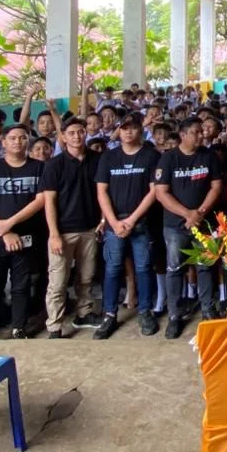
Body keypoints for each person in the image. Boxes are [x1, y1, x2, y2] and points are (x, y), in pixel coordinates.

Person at [0, 123, 45, 340]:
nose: (18, 142)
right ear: (3, 142)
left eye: (22, 137)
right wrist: (4, 232)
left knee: (21, 285)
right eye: (12, 138)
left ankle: (19, 327)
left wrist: (10, 224)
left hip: (27, 237)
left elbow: (40, 201)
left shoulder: (39, 168)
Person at [154, 116, 224, 339]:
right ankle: (175, 315)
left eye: (202, 131)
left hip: (205, 223)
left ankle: (208, 309)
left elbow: (216, 186)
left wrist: (200, 212)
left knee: (206, 266)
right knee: (175, 269)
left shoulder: (209, 156)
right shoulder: (168, 159)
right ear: (183, 135)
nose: (201, 135)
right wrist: (187, 214)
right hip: (176, 225)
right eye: (196, 132)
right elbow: (161, 192)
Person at [95, 116, 162, 339]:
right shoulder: (109, 157)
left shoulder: (151, 155)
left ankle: (145, 311)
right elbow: (102, 191)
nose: (128, 132)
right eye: (124, 128)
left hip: (140, 222)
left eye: (133, 128)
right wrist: (113, 222)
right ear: (118, 131)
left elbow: (154, 191)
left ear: (140, 130)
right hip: (115, 223)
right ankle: (109, 314)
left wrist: (132, 220)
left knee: (143, 268)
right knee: (113, 268)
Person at [40, 118, 102, 338]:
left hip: (89, 228)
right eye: (72, 133)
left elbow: (103, 194)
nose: (77, 136)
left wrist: (102, 222)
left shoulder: (97, 160)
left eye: (81, 132)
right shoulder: (54, 165)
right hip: (63, 231)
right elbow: (49, 201)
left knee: (86, 276)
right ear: (63, 137)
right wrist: (54, 234)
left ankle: (84, 313)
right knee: (57, 281)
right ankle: (54, 325)